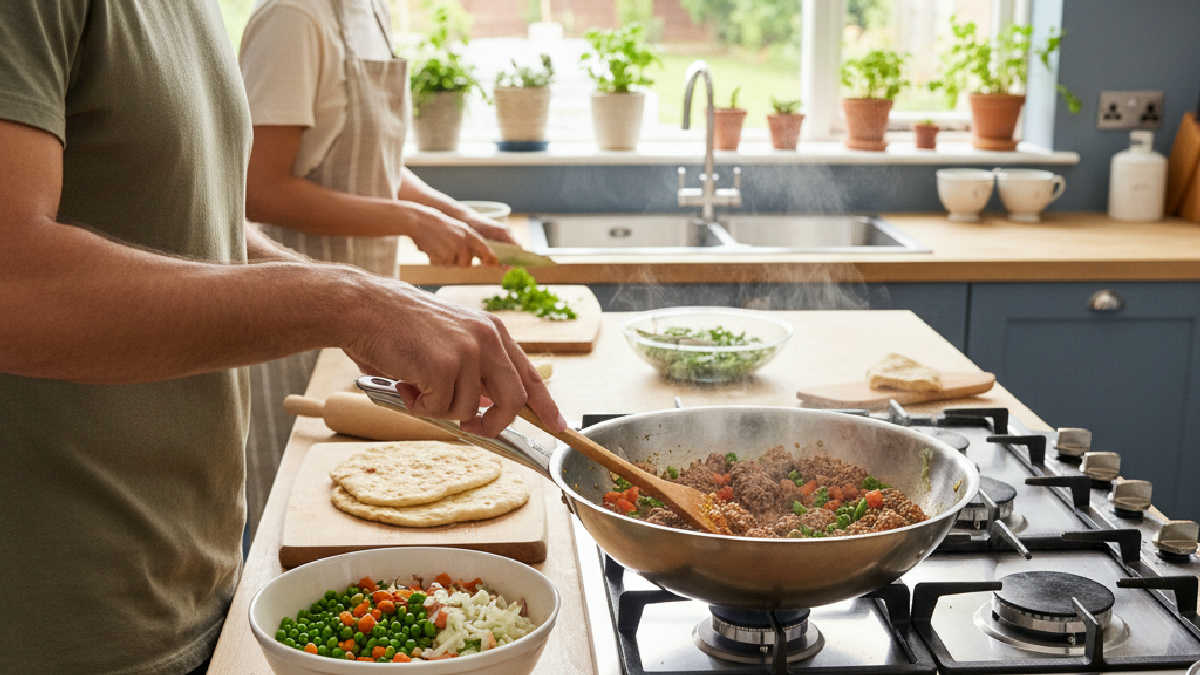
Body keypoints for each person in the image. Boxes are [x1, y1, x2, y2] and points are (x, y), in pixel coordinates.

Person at [0, 3, 564, 674]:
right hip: (68, 620)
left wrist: (375, 301)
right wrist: (348, 301)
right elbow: (14, 283)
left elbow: (197, 220)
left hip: (195, 582)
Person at [237, 0, 517, 532]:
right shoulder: (293, 21)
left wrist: (453, 213)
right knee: (295, 520)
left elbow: (372, 165)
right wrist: (410, 220)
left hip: (371, 328)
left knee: (357, 518)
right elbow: (259, 190)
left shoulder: (372, 12)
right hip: (290, 331)